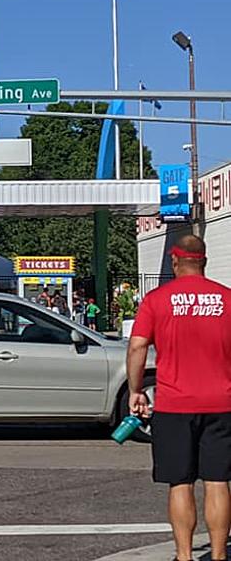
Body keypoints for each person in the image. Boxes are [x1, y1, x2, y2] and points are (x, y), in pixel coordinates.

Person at [127, 235, 231, 561]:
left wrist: (135, 390)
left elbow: (137, 346)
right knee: (218, 481)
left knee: (180, 483)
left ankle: (184, 556)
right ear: (205, 260)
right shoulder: (227, 299)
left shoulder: (157, 300)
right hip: (222, 402)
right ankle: (217, 556)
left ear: (174, 261)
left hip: (174, 405)